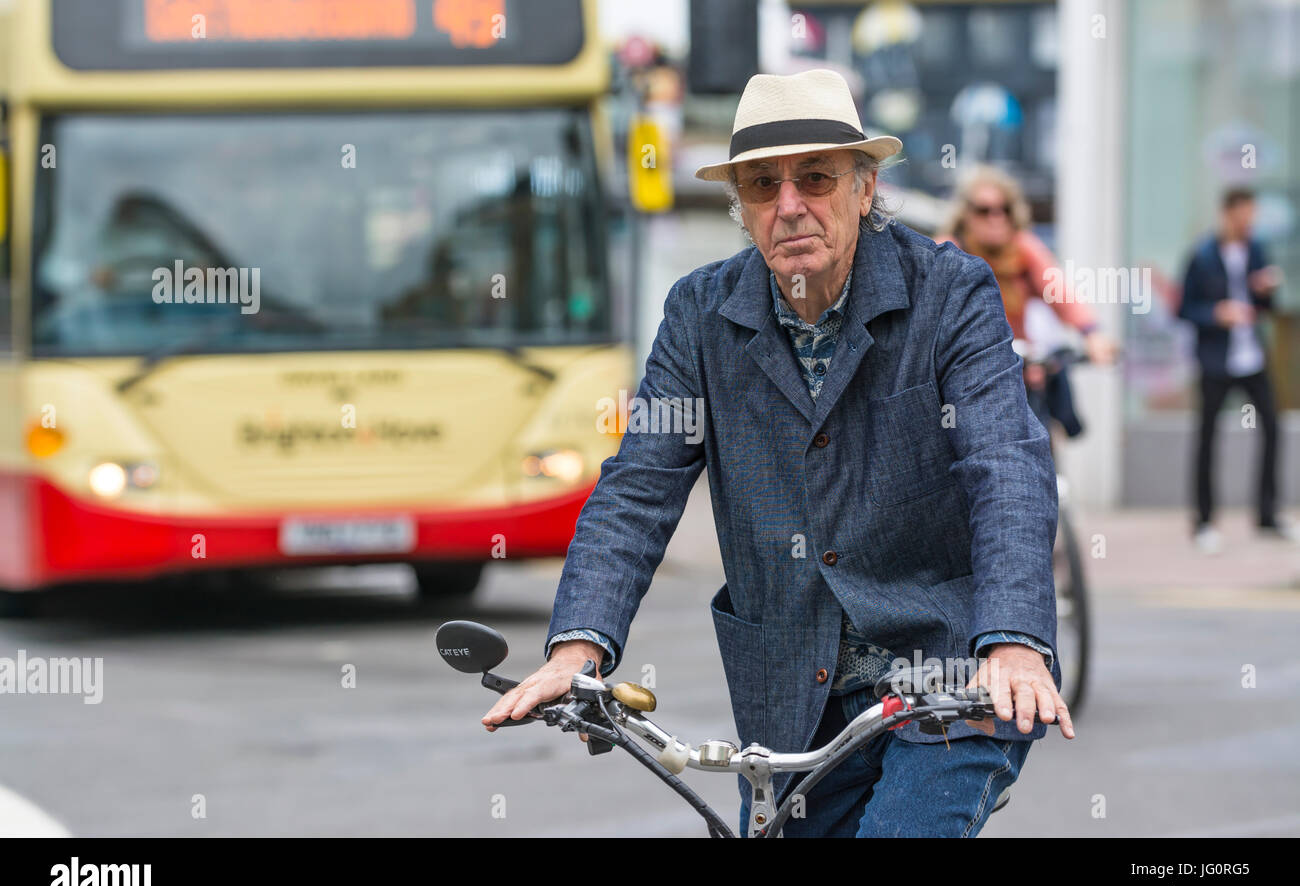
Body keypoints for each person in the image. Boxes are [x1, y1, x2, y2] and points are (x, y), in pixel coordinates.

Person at [482, 69, 1073, 838]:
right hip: (794, 699)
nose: (789, 204)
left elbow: (1005, 464)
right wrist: (577, 647)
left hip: (950, 682)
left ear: (864, 188)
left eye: (815, 177)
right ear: (743, 207)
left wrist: (1016, 643)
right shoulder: (698, 312)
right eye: (763, 184)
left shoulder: (949, 292)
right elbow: (640, 484)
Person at [936, 165, 1115, 435]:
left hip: (1018, 371)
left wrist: (1092, 333)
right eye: (984, 210)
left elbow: (1059, 289)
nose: (996, 218)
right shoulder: (946, 252)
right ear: (966, 214)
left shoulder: (1023, 249)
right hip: (964, 378)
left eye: (1004, 209)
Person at [1178, 187, 1296, 552]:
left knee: (1273, 429)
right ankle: (1204, 521)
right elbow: (1184, 309)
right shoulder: (1202, 254)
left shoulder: (1256, 250)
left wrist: (1264, 289)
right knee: (1208, 438)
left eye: (1253, 217)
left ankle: (1267, 514)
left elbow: (1268, 306)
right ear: (1228, 214)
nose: (1249, 223)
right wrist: (1217, 314)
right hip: (1216, 360)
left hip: (1251, 358)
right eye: (1244, 216)